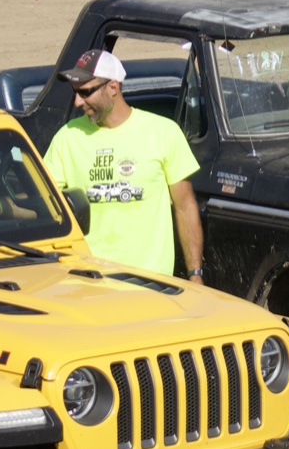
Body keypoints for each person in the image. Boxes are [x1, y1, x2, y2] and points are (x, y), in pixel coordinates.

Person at [43, 50, 205, 279]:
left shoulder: (163, 133)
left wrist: (195, 274)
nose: (78, 101)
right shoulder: (67, 138)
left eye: (85, 92)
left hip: (151, 283)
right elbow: (45, 204)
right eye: (75, 92)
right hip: (88, 280)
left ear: (113, 87)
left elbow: (185, 206)